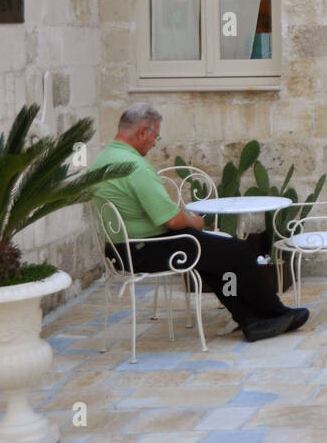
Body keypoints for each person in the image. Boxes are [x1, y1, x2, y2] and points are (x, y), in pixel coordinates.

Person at [89, 103, 309, 342]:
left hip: (118, 250)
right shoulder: (135, 167)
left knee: (215, 255)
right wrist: (195, 223)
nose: (154, 143)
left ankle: (249, 319)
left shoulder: (103, 159)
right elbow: (172, 220)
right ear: (143, 132)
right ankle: (275, 313)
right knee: (237, 250)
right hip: (142, 250)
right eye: (155, 136)